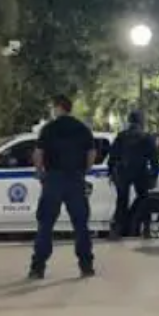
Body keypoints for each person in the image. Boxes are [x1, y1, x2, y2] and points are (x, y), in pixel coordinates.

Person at [29, 95, 96, 279]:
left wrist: (40, 173)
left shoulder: (49, 128)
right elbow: (91, 153)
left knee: (45, 224)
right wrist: (84, 171)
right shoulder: (82, 128)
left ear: (58, 108)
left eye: (53, 107)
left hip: (54, 179)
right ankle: (86, 266)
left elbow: (38, 153)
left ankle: (38, 267)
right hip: (75, 179)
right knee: (81, 225)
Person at [108, 111, 158, 239]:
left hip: (124, 172)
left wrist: (111, 172)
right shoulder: (147, 137)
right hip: (141, 171)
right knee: (144, 200)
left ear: (129, 121)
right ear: (141, 121)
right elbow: (154, 160)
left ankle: (117, 231)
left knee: (122, 201)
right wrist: (154, 175)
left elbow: (112, 156)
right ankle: (146, 229)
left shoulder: (121, 136)